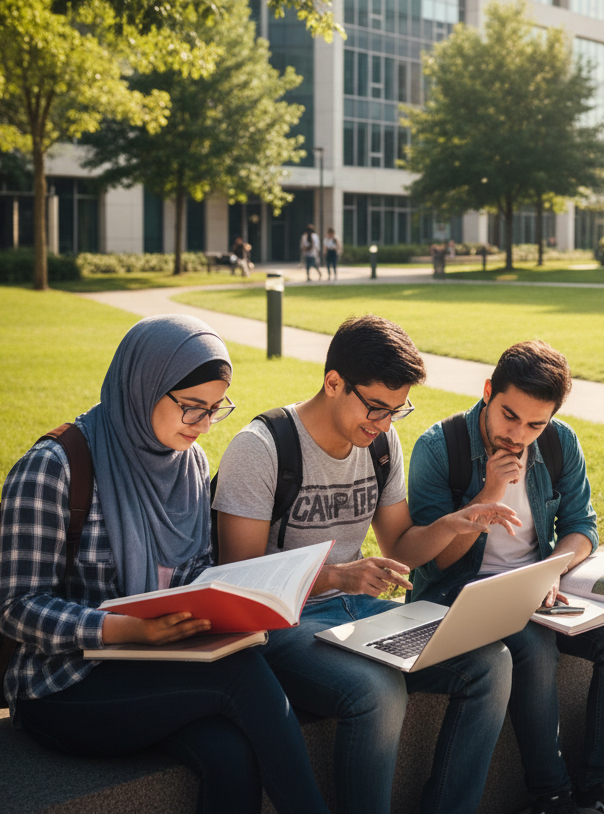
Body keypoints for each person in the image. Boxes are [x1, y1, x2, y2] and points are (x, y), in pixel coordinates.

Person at [0, 315, 328, 814]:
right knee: (240, 676)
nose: (203, 425)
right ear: (143, 383)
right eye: (191, 408)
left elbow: (193, 571)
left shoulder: (189, 463)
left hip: (156, 664)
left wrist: (232, 603)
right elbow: (16, 608)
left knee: (231, 753)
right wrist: (124, 630)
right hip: (62, 684)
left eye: (215, 410)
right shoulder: (55, 466)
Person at [213, 315, 517, 814]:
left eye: (396, 412)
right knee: (379, 693)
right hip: (283, 628)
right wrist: (336, 576)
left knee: (491, 663)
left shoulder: (379, 443)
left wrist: (456, 524)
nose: (382, 424)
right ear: (333, 383)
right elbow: (237, 579)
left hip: (357, 619)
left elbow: (398, 546)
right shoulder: (263, 447)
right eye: (375, 408)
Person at [408, 340, 604, 814]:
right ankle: (551, 795)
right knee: (532, 648)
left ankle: (601, 788)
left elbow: (582, 527)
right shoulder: (440, 448)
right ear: (488, 391)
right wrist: (487, 493)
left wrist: (551, 571)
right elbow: (434, 565)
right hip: (459, 594)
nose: (518, 435)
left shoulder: (560, 442)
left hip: (541, 587)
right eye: (509, 416)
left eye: (535, 423)